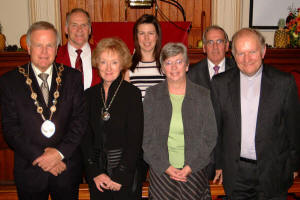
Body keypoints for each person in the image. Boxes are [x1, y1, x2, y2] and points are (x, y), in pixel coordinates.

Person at [0, 21, 86, 200]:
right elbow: (11, 129)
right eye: (39, 45)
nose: (44, 52)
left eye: (50, 45)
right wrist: (43, 158)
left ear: (57, 49)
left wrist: (58, 154)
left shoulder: (73, 78)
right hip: (30, 170)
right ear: (29, 48)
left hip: (66, 168)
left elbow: (79, 121)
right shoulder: (10, 82)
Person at [211, 28, 300, 200]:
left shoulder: (284, 83)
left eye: (252, 52)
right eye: (241, 53)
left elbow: (294, 128)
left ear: (263, 51)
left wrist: (294, 166)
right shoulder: (220, 84)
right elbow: (216, 129)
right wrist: (219, 164)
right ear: (233, 55)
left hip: (274, 171)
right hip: (237, 174)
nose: (247, 59)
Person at [143, 42, 218, 200]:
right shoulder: (152, 95)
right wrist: (166, 167)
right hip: (162, 171)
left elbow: (210, 136)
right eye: (168, 63)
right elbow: (146, 138)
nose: (174, 67)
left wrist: (191, 166)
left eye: (178, 61)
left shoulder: (202, 95)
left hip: (194, 170)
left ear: (186, 66)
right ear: (162, 68)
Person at [81, 37, 143, 200]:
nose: (108, 68)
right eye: (103, 62)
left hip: (124, 175)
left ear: (122, 64)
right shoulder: (89, 95)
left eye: (114, 62)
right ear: (97, 64)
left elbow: (135, 140)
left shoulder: (132, 94)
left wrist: (121, 175)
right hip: (97, 176)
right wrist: (94, 172)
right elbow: (85, 137)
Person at [56, 8, 100, 90]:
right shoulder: (55, 56)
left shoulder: (102, 54)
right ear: (66, 29)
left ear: (90, 29)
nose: (79, 30)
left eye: (84, 25)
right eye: (74, 25)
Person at [125, 14, 165, 99]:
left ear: (157, 36)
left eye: (150, 33)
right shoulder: (128, 65)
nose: (146, 38)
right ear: (136, 36)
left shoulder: (167, 63)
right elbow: (125, 100)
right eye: (142, 33)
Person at [188, 25, 235, 89]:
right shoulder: (192, 73)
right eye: (210, 42)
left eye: (219, 41)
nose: (215, 47)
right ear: (204, 48)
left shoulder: (237, 69)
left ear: (226, 46)